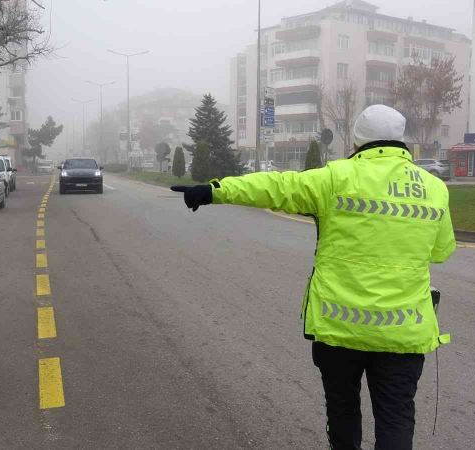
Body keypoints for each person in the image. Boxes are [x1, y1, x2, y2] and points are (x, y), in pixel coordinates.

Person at [171, 105, 456, 450]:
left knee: (343, 411)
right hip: (404, 330)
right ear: (402, 139)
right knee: (396, 417)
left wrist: (214, 190)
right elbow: (441, 251)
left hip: (340, 328)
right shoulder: (435, 188)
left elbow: (276, 187)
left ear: (357, 139)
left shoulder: (335, 177)